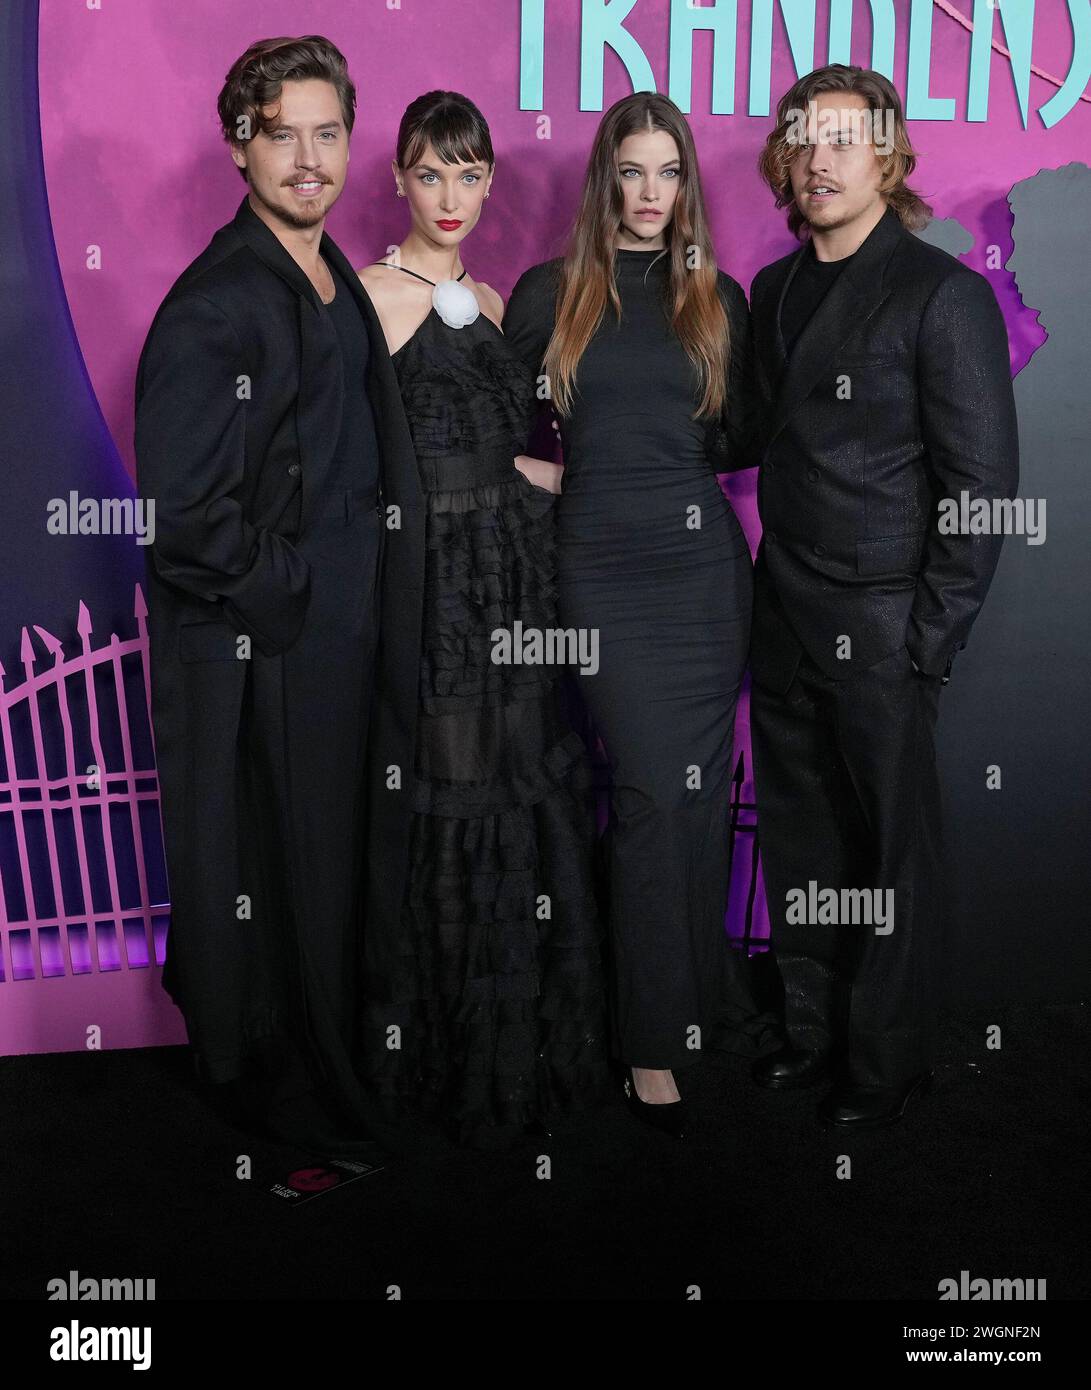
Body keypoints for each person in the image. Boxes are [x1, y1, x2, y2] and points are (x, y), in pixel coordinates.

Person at [135, 36, 423, 1157]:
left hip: (341, 638)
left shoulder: (330, 268)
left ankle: (332, 1055)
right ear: (238, 144)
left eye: (327, 131)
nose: (307, 158)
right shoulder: (215, 304)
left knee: (328, 863)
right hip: (274, 643)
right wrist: (295, 593)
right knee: (270, 870)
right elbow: (187, 515)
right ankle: (282, 1087)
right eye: (280, 133)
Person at [747, 64, 1019, 1128]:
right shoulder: (771, 290)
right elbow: (745, 437)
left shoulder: (939, 292)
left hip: (880, 621)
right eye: (803, 139)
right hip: (782, 608)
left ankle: (883, 1059)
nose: (818, 158)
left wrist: (927, 636)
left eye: (844, 140)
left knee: (888, 856)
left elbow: (983, 485)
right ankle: (810, 1031)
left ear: (890, 158)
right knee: (802, 838)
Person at [503, 93, 768, 1139]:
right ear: (603, 178)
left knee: (695, 802)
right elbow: (482, 415)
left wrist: (654, 475)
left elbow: (734, 436)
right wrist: (563, 477)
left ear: (684, 181)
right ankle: (649, 1041)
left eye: (667, 172)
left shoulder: (716, 296)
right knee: (656, 794)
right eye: (631, 170)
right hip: (601, 580)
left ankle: (691, 1004)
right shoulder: (548, 294)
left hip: (703, 578)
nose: (650, 193)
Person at [355, 92, 611, 1151]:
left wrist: (565, 481)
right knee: (449, 790)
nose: (450, 196)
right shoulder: (364, 298)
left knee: (520, 782)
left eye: (469, 174)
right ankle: (443, 1057)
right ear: (400, 181)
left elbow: (506, 445)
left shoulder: (502, 297)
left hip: (517, 582)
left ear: (490, 181)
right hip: (434, 592)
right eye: (429, 173)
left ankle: (527, 1045)